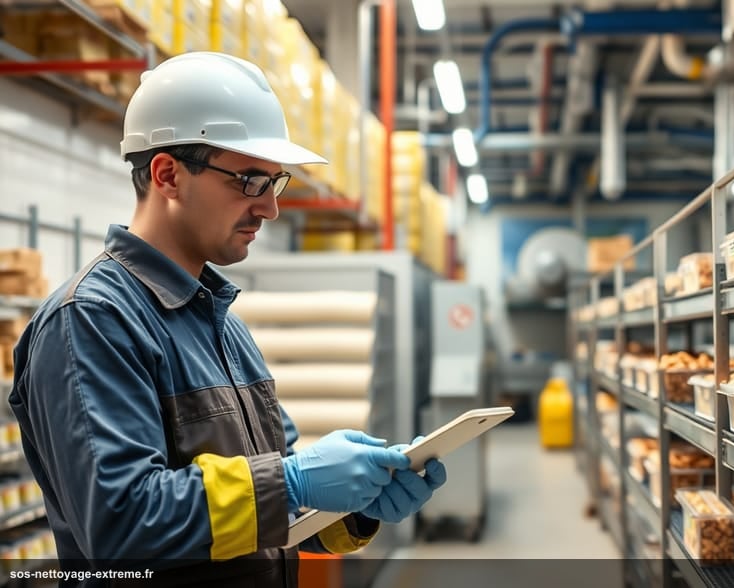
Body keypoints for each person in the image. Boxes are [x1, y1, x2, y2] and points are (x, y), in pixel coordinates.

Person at [8, 52, 446, 586]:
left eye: (274, 183)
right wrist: (294, 481)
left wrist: (358, 504)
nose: (270, 209)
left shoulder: (222, 325)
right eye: (249, 181)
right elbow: (121, 526)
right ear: (168, 175)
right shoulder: (92, 322)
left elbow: (265, 515)